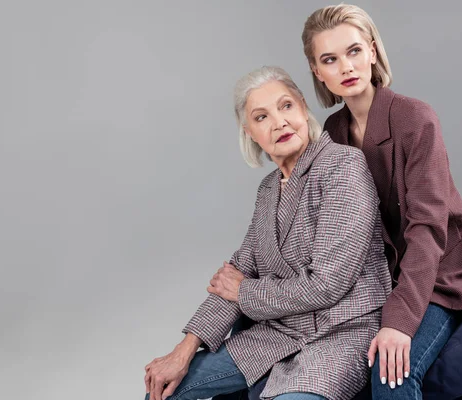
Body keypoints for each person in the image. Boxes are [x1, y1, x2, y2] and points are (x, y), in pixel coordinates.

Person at [143, 66, 393, 400]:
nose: (279, 122)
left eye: (286, 106)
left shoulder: (343, 166)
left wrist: (244, 291)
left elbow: (326, 285)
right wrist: (184, 350)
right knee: (162, 393)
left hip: (343, 332)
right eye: (262, 117)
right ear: (249, 132)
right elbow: (236, 272)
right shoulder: (267, 191)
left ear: (303, 108)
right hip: (279, 331)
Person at [298, 4, 462, 399]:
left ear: (372, 51)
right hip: (378, 276)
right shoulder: (333, 132)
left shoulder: (416, 119)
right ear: (318, 72)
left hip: (437, 273)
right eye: (330, 59)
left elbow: (427, 228)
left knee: (391, 376)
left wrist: (400, 322)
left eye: (354, 51)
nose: (346, 67)